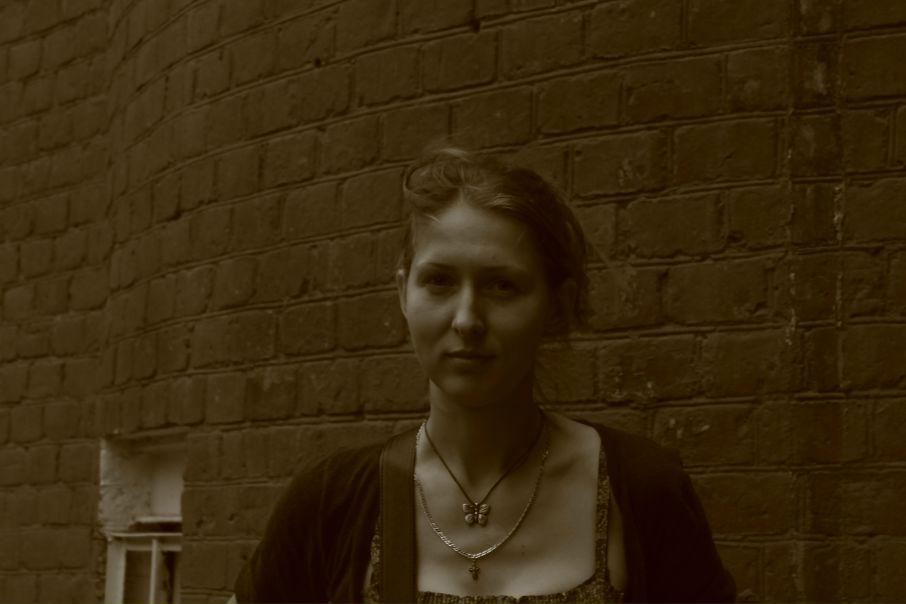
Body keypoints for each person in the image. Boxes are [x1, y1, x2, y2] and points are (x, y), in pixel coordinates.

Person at [232, 148, 736, 603]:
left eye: (502, 286)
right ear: (403, 294)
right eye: (439, 281)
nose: (467, 319)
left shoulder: (641, 491)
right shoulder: (332, 503)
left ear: (557, 307)